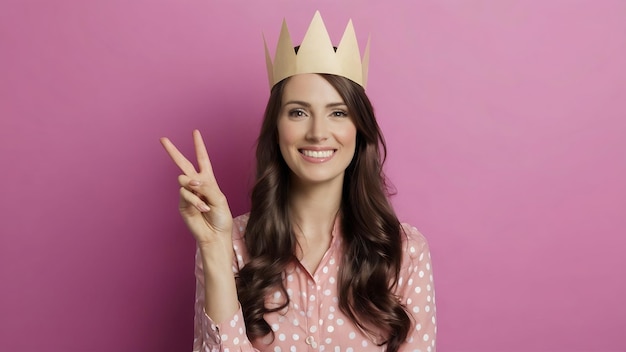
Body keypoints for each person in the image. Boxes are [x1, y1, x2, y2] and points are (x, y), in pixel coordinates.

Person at [161, 11, 436, 352]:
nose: (318, 133)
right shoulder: (228, 244)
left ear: (359, 129)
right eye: (298, 112)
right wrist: (215, 252)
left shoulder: (404, 250)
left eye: (337, 112)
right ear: (277, 130)